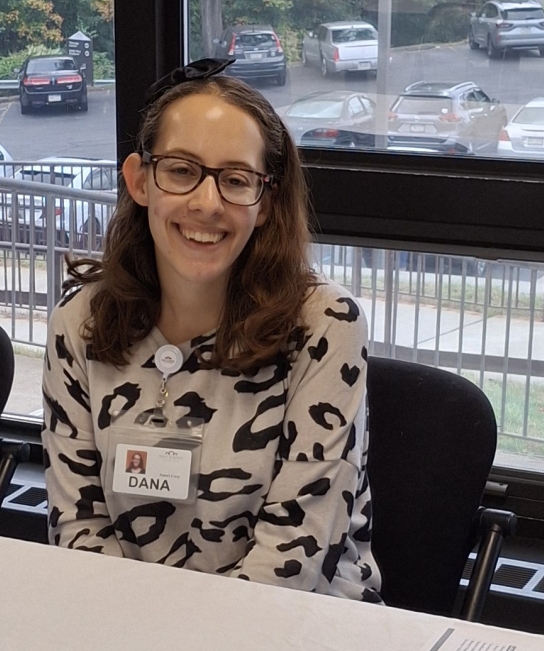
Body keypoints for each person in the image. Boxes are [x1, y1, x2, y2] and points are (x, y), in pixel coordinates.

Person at [42, 59, 382, 602]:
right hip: (124, 628)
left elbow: (294, 558)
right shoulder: (81, 322)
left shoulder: (325, 326)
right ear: (140, 181)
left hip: (295, 637)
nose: (207, 203)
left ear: (266, 201)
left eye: (236, 180)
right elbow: (77, 529)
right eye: (181, 170)